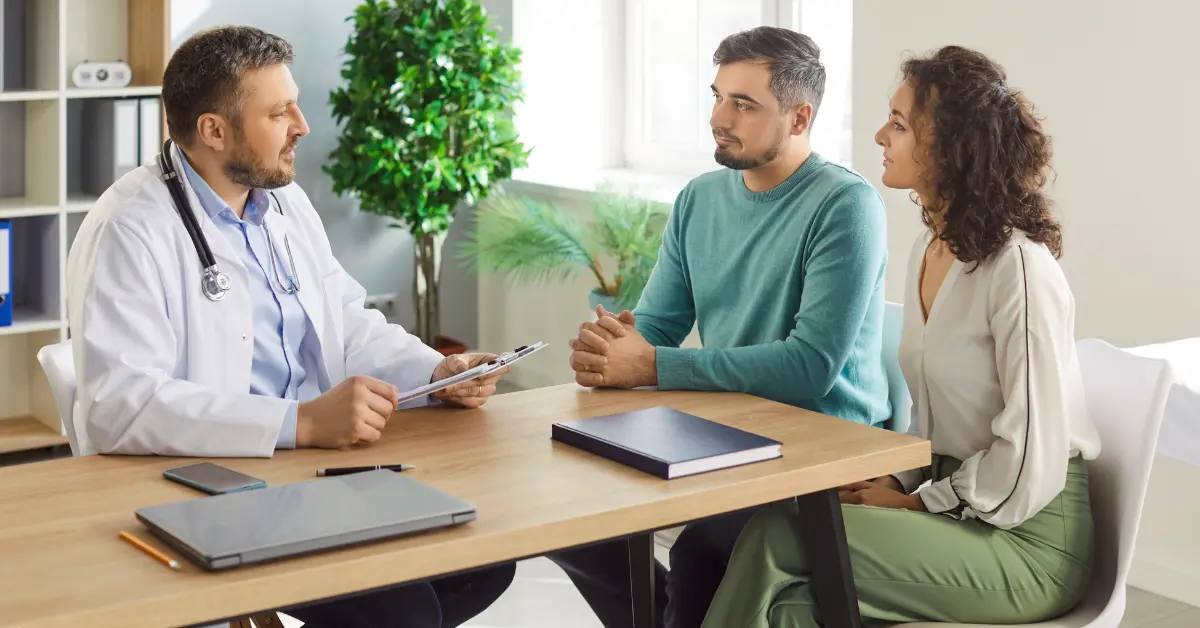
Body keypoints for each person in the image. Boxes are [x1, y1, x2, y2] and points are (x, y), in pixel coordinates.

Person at [65, 25, 514, 628]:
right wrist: (299, 422)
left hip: (311, 474)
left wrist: (436, 371)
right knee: (403, 613)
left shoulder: (282, 202)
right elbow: (119, 404)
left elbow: (345, 321)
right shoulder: (130, 228)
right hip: (213, 484)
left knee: (483, 564)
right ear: (213, 130)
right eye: (279, 113)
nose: (302, 125)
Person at [699, 45, 1102, 627]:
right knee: (790, 611)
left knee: (777, 534)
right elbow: (934, 422)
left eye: (900, 123)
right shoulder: (930, 251)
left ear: (951, 146)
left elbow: (1027, 461)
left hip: (1026, 540)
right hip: (962, 504)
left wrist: (919, 501)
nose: (879, 136)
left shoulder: (1018, 269)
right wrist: (896, 476)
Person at [550, 26, 891, 628]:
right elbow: (657, 324)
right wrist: (611, 349)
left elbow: (809, 368)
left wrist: (650, 365)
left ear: (800, 116)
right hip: (726, 429)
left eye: (744, 104)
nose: (718, 118)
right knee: (569, 519)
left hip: (820, 444)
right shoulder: (699, 199)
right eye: (717, 96)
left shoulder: (845, 205)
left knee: (701, 550)